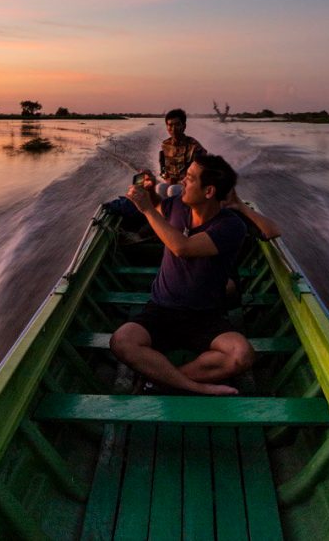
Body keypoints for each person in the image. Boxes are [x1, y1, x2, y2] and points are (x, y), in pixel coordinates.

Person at [109, 154, 254, 396]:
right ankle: (192, 385)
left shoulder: (230, 226)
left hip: (205, 316)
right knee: (121, 341)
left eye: (189, 178)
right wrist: (148, 191)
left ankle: (159, 381)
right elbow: (157, 207)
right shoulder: (177, 205)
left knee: (241, 354)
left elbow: (183, 248)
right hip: (161, 309)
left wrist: (146, 209)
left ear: (209, 191)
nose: (182, 183)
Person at [157, 108, 206, 197]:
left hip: (190, 185)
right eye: (170, 125)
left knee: (172, 190)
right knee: (159, 187)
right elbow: (163, 169)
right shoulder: (165, 145)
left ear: (184, 126)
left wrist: (181, 181)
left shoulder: (194, 146)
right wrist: (166, 177)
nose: (174, 128)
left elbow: (200, 173)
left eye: (177, 125)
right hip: (173, 183)